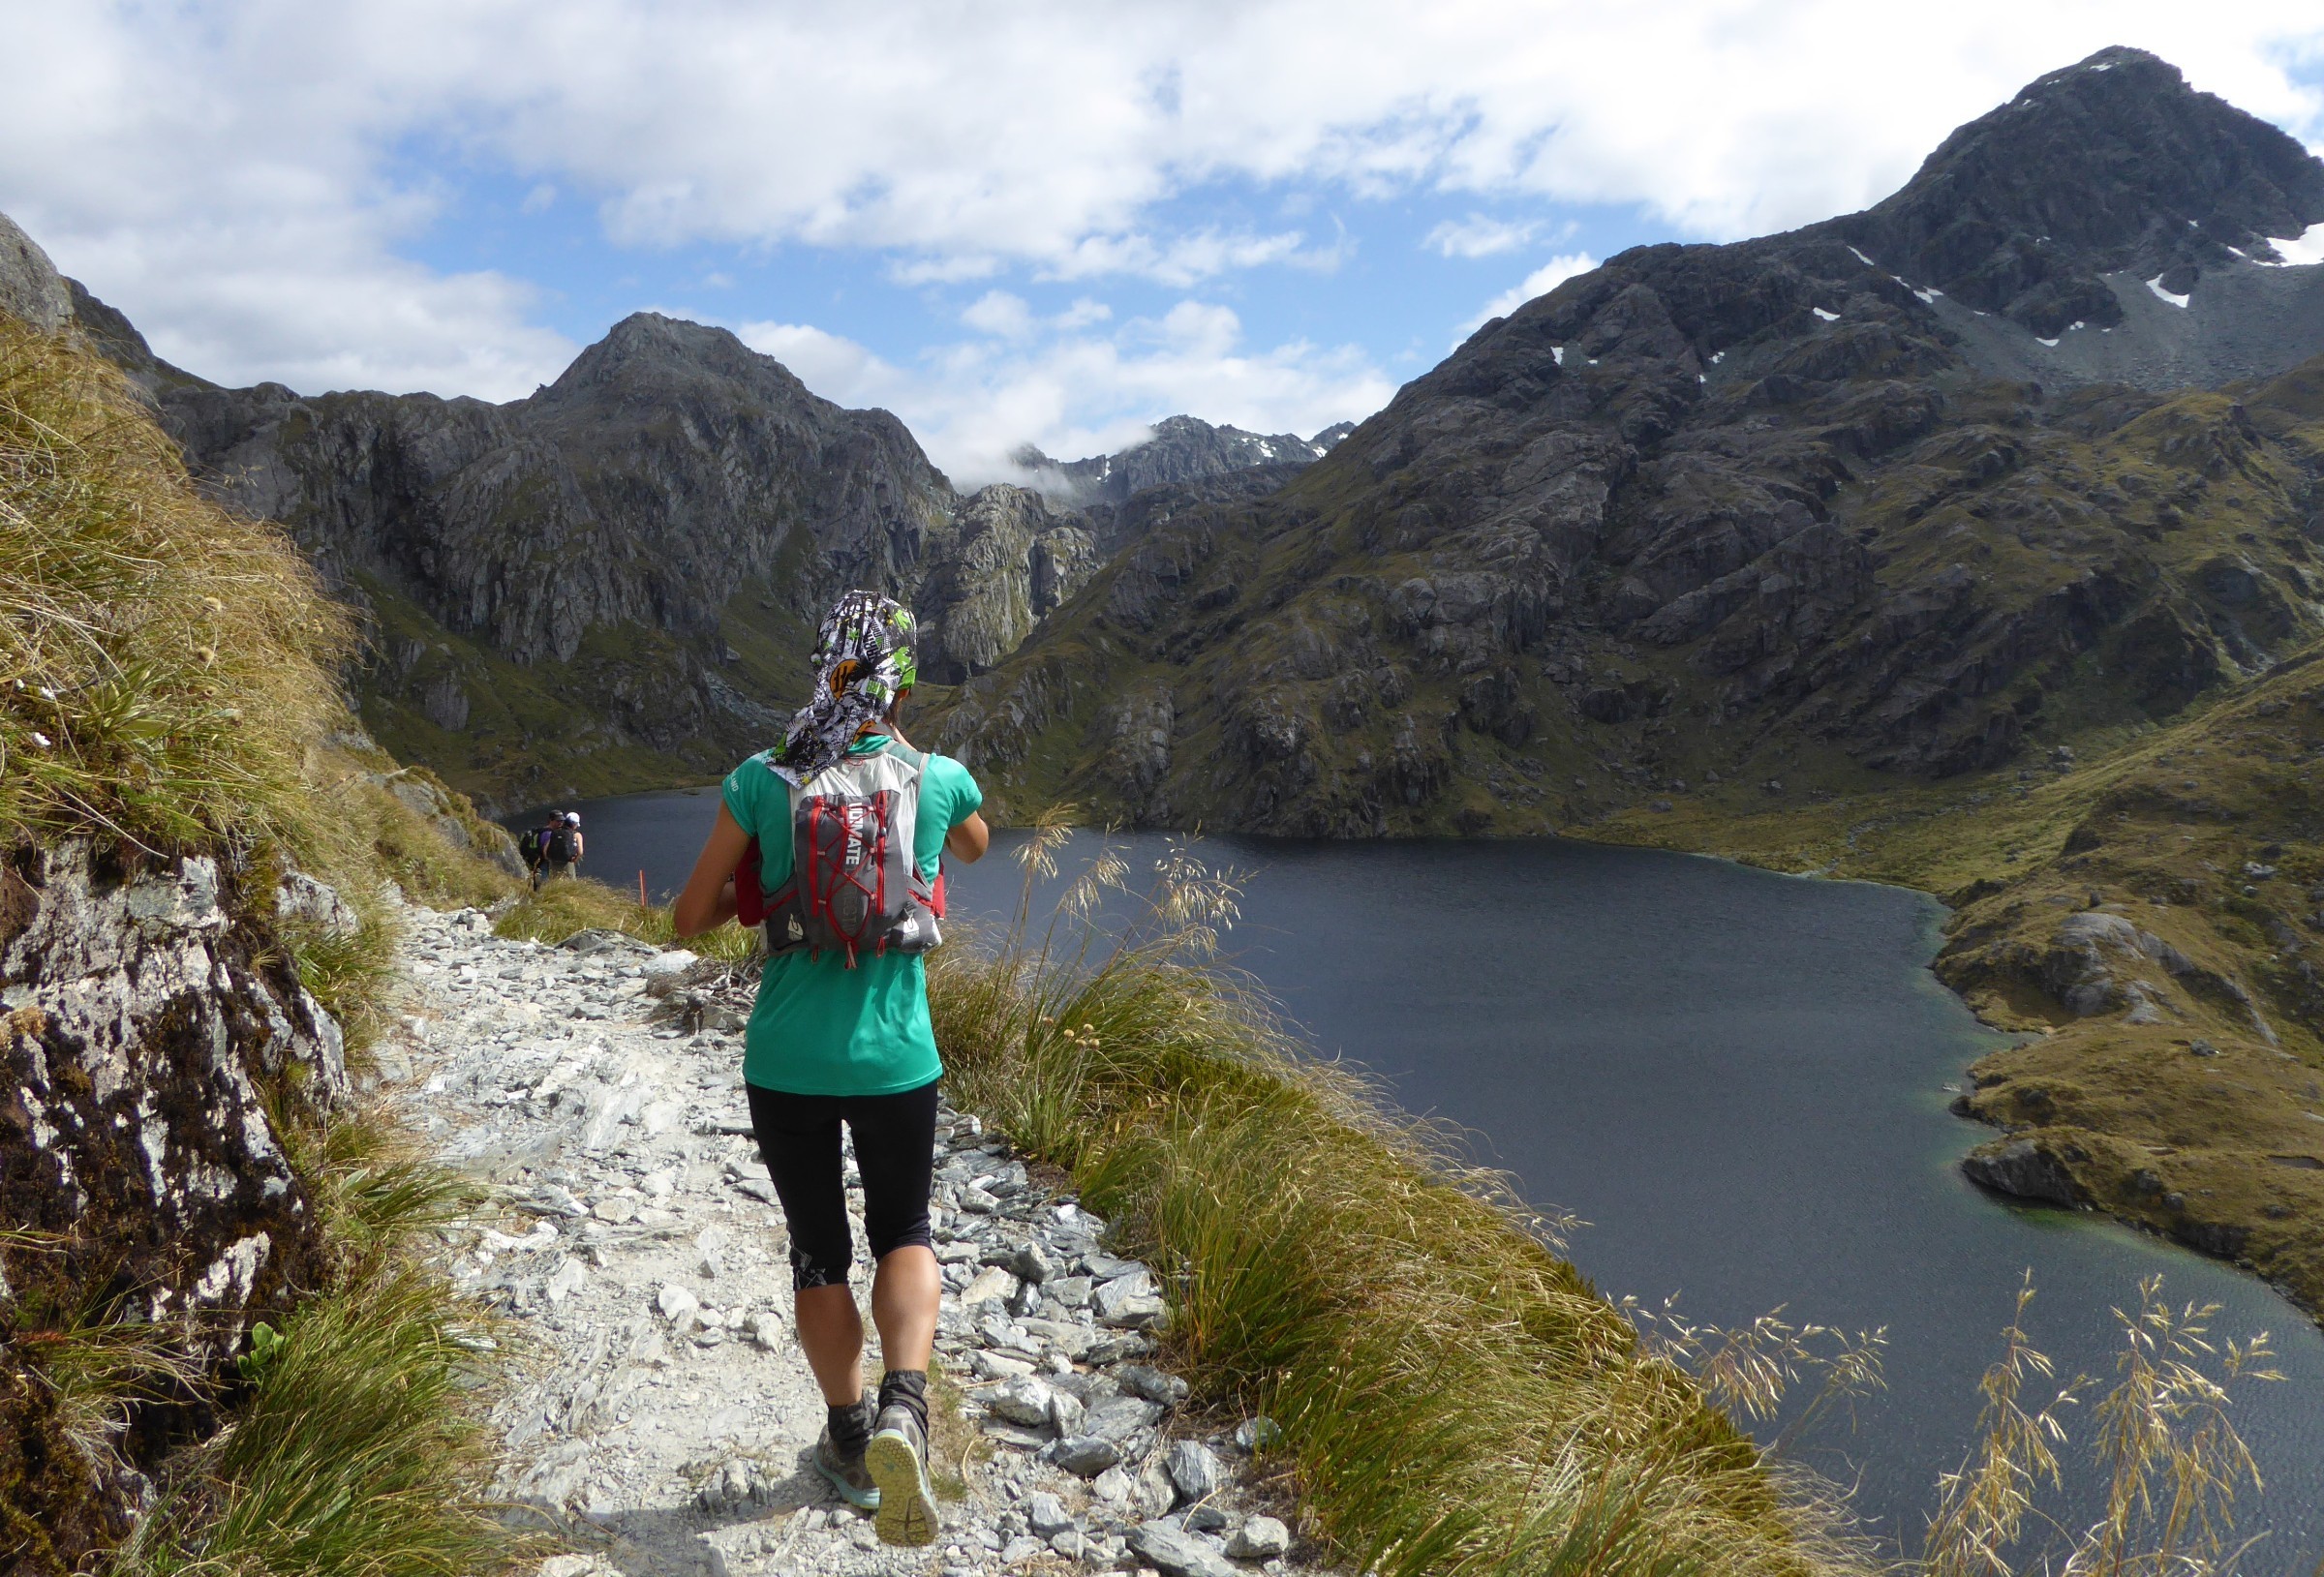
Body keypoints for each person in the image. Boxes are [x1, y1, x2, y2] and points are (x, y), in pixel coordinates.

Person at [673, 591, 988, 1547]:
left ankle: (847, 1441)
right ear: (904, 679)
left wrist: (754, 888)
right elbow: (973, 847)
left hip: (786, 1062)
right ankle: (905, 1409)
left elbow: (689, 916)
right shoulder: (938, 778)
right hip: (897, 1059)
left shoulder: (760, 780)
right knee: (905, 1228)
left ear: (823, 669)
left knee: (818, 1250)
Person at [542, 810, 583, 883]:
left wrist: (549, 859)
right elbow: (580, 852)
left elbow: (545, 850)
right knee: (570, 885)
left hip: (553, 863)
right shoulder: (576, 835)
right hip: (567, 863)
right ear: (574, 824)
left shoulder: (555, 831)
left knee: (554, 883)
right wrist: (574, 860)